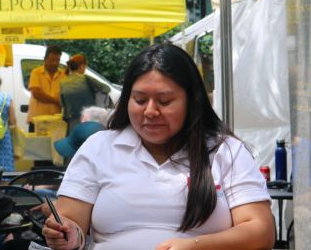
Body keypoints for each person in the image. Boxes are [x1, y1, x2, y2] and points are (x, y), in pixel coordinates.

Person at [42, 43, 274, 250]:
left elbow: (261, 231)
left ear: (192, 101)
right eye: (140, 100)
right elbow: (72, 221)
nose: (151, 111)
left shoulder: (225, 151)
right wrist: (68, 235)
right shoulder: (99, 148)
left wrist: (197, 246)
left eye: (165, 101)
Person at [59, 55, 110, 134]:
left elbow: (63, 104)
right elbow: (106, 89)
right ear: (82, 66)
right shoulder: (86, 78)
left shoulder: (62, 82)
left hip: (72, 124)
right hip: (88, 121)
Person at [28, 45, 65, 131]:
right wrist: (57, 101)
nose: (55, 63)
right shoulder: (36, 72)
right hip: (37, 122)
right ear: (45, 59)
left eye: (57, 60)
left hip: (56, 123)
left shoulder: (63, 75)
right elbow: (36, 94)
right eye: (52, 60)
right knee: (36, 144)